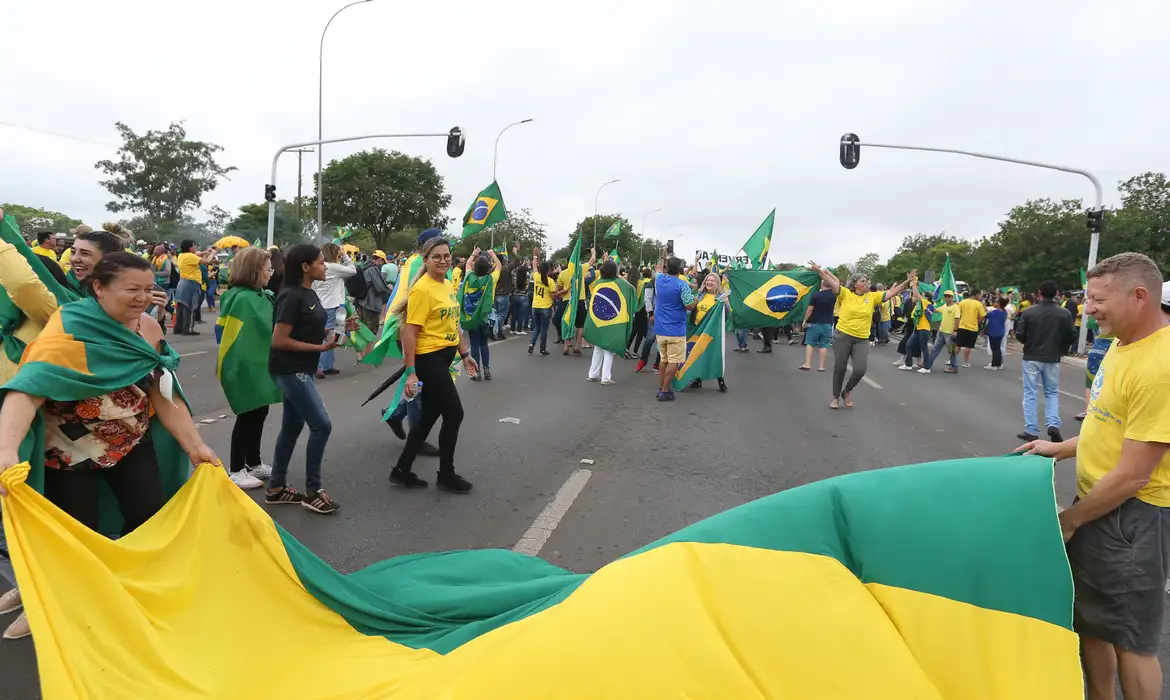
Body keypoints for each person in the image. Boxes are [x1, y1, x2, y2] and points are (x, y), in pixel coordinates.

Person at [1019, 253, 1170, 700]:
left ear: (1139, 296)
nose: (1088, 309)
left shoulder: (1160, 366)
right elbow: (1108, 427)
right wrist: (1061, 449)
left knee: (1131, 641)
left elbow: (1134, 475)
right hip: (1103, 507)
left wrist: (1072, 520)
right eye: (1088, 298)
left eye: (1098, 299)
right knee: (1093, 626)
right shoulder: (1122, 345)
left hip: (1132, 519)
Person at [389, 235, 478, 493]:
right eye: (436, 256)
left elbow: (453, 324)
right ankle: (446, 475)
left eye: (446, 256)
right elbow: (409, 332)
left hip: (444, 356)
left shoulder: (447, 284)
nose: (442, 260)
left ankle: (402, 469)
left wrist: (465, 353)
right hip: (428, 358)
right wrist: (410, 373)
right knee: (454, 413)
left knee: (429, 416)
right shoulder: (422, 289)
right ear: (425, 259)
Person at [265, 244, 343, 514]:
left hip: (302, 368)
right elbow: (280, 340)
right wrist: (321, 350)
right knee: (322, 425)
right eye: (321, 262)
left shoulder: (310, 293)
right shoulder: (290, 296)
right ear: (305, 266)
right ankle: (313, 491)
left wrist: (329, 335)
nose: (325, 266)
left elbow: (308, 328)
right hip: (290, 369)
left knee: (292, 426)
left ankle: (276, 488)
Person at [809, 265, 916, 409]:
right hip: (843, 336)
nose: (865, 283)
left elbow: (891, 292)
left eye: (866, 281)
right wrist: (819, 272)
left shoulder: (872, 297)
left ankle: (846, 391)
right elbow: (833, 282)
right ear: (855, 284)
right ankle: (835, 397)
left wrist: (907, 282)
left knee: (860, 370)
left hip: (861, 339)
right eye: (862, 281)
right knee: (840, 368)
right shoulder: (846, 293)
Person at [216, 247, 279, 490]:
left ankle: (253, 462)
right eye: (267, 269)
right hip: (245, 364)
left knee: (258, 412)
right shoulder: (246, 299)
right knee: (248, 415)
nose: (270, 273)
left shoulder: (247, 295)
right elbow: (265, 330)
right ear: (255, 271)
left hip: (253, 363)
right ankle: (236, 469)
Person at [1014, 280, 1076, 442]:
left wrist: (1029, 342)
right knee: (1052, 392)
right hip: (1052, 357)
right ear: (1056, 294)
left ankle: (1032, 429)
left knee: (1030, 393)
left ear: (1039, 294)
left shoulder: (1028, 312)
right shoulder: (1064, 314)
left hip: (1032, 356)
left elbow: (1020, 334)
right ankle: (1053, 424)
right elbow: (1071, 336)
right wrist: (1060, 348)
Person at [653, 256, 697, 402]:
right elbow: (689, 305)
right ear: (680, 270)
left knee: (663, 360)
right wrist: (696, 299)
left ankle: (661, 387)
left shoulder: (659, 280)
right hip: (676, 329)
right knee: (674, 361)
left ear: (666, 268)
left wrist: (663, 256)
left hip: (660, 328)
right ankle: (665, 391)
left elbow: (658, 269)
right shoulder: (682, 285)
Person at [311, 243, 356, 378]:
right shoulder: (333, 267)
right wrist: (345, 255)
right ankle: (323, 366)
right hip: (334, 305)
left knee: (326, 334)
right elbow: (353, 270)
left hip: (321, 304)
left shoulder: (319, 268)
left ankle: (325, 364)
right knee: (333, 335)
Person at [460, 248, 502, 381]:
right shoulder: (491, 279)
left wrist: (474, 254)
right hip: (485, 316)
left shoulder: (469, 277)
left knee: (474, 344)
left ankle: (476, 372)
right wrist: (492, 254)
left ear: (474, 267)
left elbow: (467, 264)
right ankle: (487, 370)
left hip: (471, 317)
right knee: (484, 343)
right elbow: (499, 266)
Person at [684, 272, 727, 392]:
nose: (709, 282)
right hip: (697, 330)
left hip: (712, 332)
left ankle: (720, 379)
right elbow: (691, 309)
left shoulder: (721, 297)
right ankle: (698, 379)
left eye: (712, 280)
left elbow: (726, 315)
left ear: (717, 283)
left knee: (714, 355)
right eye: (708, 280)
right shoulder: (700, 295)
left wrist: (726, 304)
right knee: (697, 354)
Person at [173, 240, 216, 335]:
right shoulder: (191, 256)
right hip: (191, 283)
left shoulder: (181, 255)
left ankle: (178, 328)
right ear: (190, 247)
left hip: (182, 282)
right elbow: (207, 261)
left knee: (181, 306)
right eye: (194, 246)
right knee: (190, 306)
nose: (195, 247)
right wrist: (212, 253)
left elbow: (197, 255)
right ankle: (188, 329)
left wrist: (205, 252)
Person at [799, 280, 836, 372]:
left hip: (814, 323)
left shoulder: (816, 295)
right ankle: (821, 366)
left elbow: (810, 309)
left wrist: (805, 320)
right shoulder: (834, 296)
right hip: (828, 323)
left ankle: (807, 364)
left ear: (822, 284)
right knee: (824, 345)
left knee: (810, 343)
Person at [921, 289, 960, 375]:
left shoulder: (955, 307)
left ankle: (954, 367)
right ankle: (927, 365)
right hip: (941, 332)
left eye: (949, 296)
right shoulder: (944, 306)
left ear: (952, 298)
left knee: (952, 351)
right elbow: (935, 310)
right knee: (935, 349)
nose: (947, 298)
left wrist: (955, 330)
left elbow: (957, 319)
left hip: (950, 333)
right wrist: (928, 307)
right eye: (945, 296)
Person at [356, 250, 393, 334]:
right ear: (381, 259)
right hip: (370, 305)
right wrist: (390, 290)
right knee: (370, 333)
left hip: (361, 302)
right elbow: (380, 287)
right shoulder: (373, 269)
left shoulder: (363, 266)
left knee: (362, 331)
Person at [529, 250, 556, 356]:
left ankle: (531, 344)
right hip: (546, 307)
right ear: (548, 270)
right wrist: (560, 293)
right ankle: (542, 349)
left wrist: (535, 255)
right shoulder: (550, 281)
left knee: (537, 327)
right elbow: (553, 295)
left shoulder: (536, 276)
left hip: (535, 306)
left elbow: (534, 265)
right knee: (544, 329)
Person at [955, 292, 986, 368]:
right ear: (976, 295)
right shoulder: (978, 304)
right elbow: (982, 316)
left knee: (958, 344)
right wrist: (977, 322)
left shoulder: (963, 302)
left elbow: (957, 313)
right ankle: (965, 362)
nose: (980, 297)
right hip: (972, 328)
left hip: (962, 326)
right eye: (979, 295)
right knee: (968, 346)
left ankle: (952, 360)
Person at [983, 297, 1009, 371]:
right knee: (997, 348)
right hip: (1000, 332)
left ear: (999, 303)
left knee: (994, 349)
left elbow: (986, 315)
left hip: (994, 332)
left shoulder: (995, 312)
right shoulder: (1005, 312)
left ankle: (994, 365)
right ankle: (999, 363)